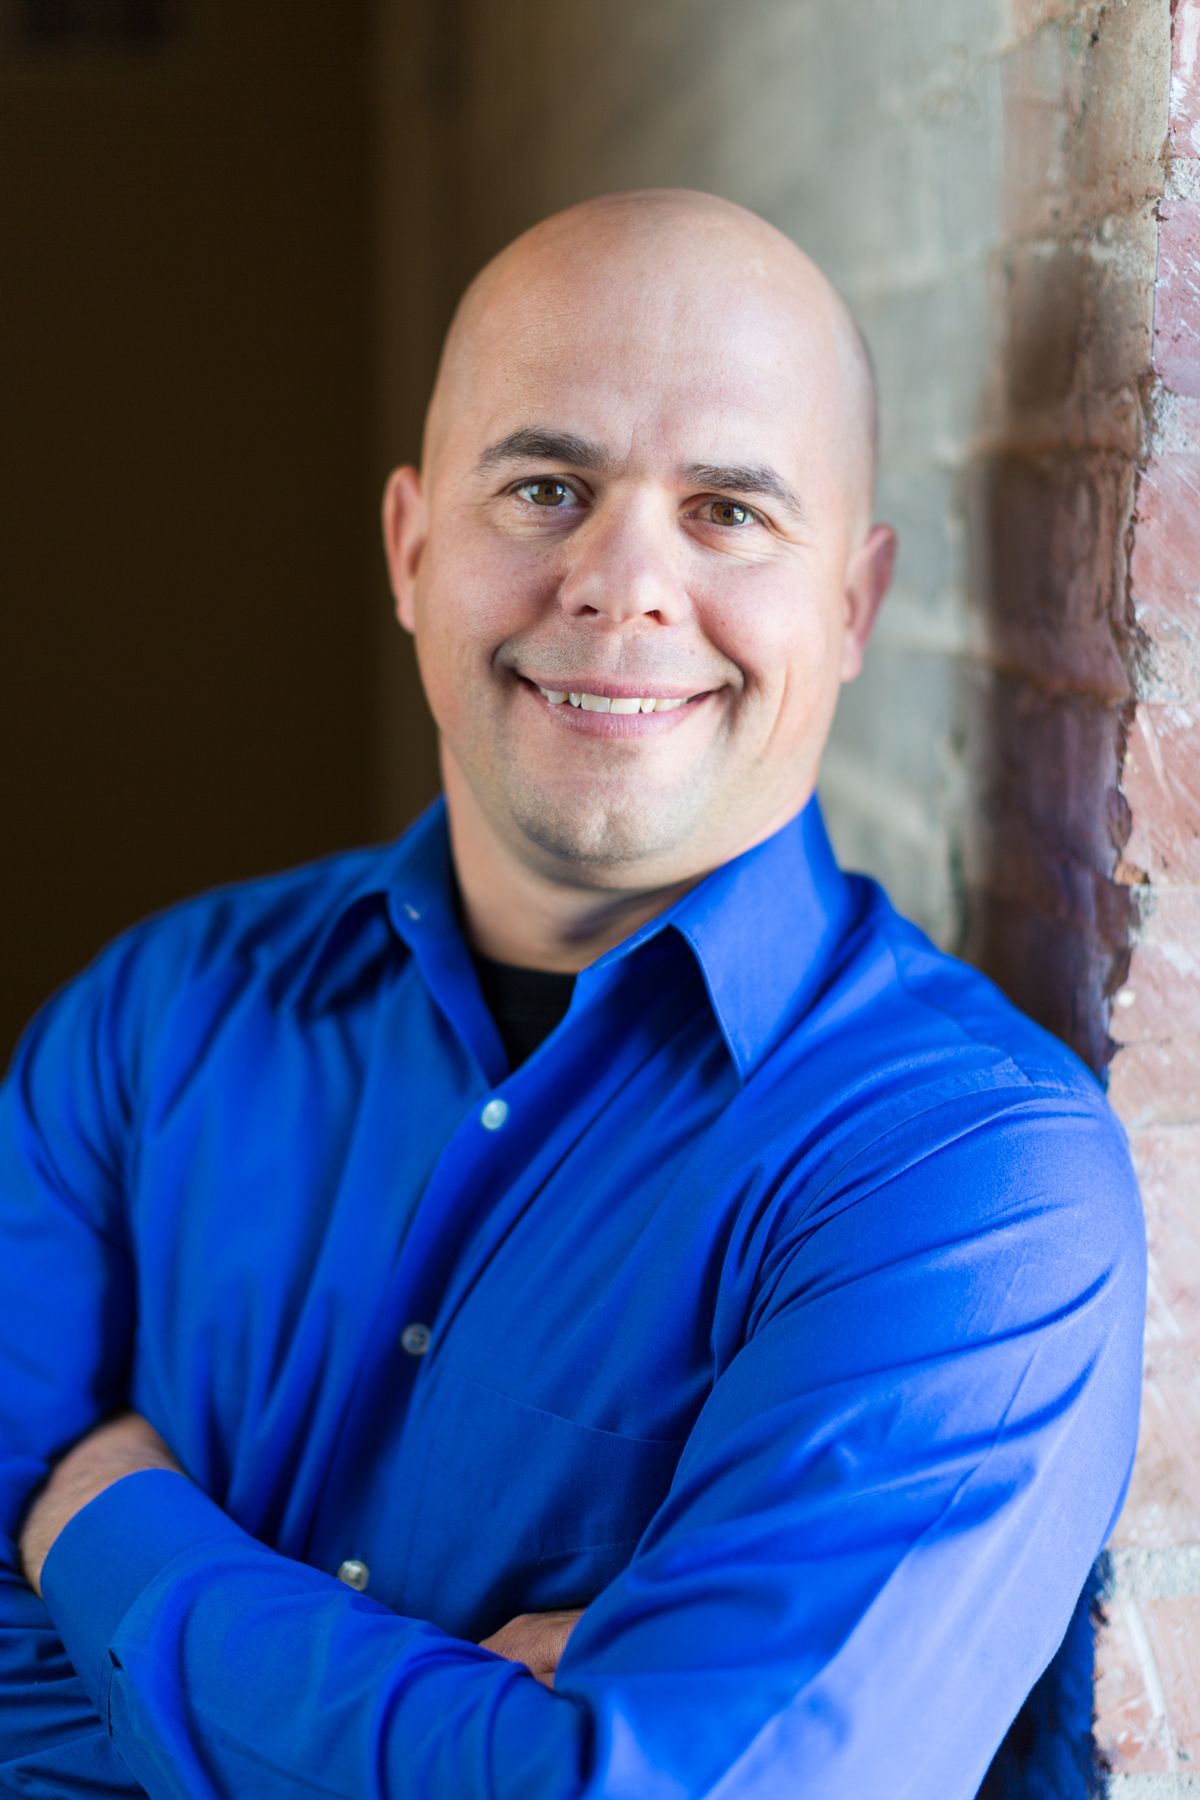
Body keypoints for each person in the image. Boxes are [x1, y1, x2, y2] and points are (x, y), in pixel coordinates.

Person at [1, 190, 1143, 1800]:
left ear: (853, 602)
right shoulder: (153, 1022)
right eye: (546, 488)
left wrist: (102, 1527)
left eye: (728, 511)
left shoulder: (968, 1186)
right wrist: (484, 1738)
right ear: (412, 549)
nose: (621, 585)